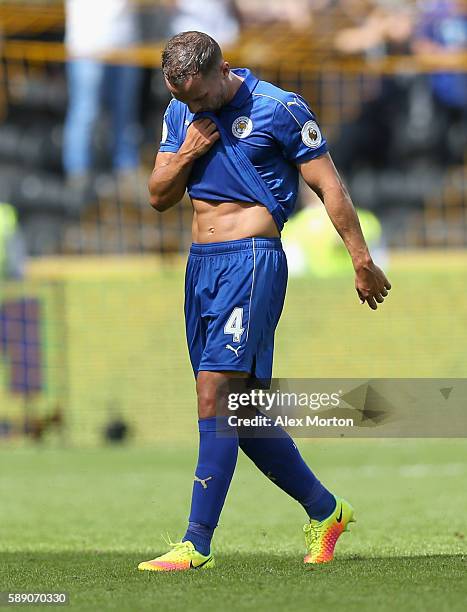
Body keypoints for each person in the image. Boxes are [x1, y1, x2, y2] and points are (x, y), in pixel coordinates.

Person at [138, 31, 391, 572]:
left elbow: (329, 186)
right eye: (183, 99)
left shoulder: (280, 108)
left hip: (252, 260)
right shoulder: (180, 114)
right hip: (201, 266)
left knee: (215, 391)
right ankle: (327, 512)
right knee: (243, 412)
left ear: (222, 69)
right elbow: (159, 197)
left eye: (201, 96)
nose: (194, 106)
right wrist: (188, 148)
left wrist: (360, 258)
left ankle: (196, 543)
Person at [63, 0, 143, 181]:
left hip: (125, 44)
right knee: (85, 112)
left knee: (125, 111)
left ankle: (125, 167)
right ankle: (78, 174)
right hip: (87, 46)